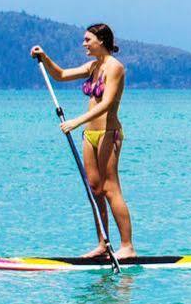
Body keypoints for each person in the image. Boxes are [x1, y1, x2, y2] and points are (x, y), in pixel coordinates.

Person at [31, 23, 134, 261]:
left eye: (88, 40)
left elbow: (107, 103)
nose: (84, 44)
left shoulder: (115, 67)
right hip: (90, 135)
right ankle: (103, 244)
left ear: (101, 40)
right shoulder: (93, 66)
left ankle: (127, 246)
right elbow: (62, 75)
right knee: (95, 189)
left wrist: (75, 122)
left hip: (109, 134)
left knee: (110, 188)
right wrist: (44, 57)